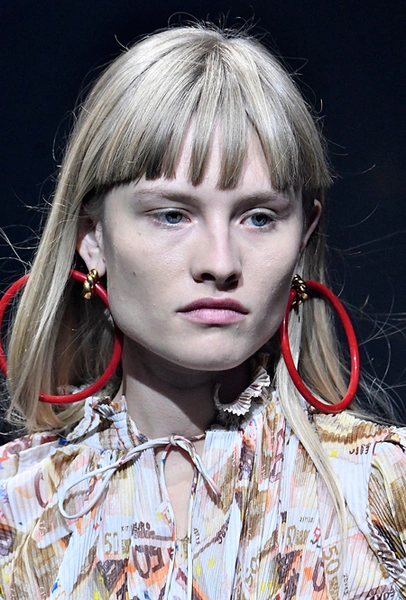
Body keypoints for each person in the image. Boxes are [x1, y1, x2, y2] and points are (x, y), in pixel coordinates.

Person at [0, 23, 404, 600]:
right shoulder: (15, 513)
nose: (220, 263)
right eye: (172, 214)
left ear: (303, 237)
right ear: (92, 237)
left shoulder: (385, 493)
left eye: (259, 217)